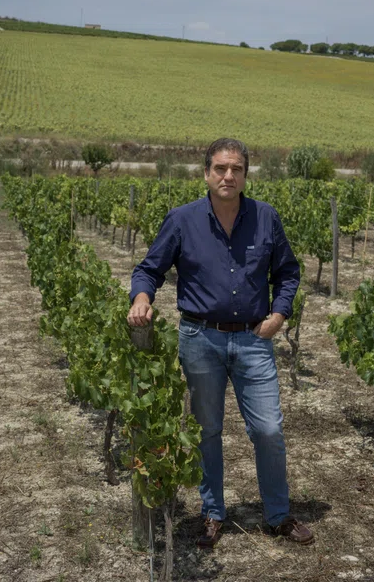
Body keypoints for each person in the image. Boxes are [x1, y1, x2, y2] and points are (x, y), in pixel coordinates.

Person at [127, 138, 314, 548]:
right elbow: (149, 269)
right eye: (220, 169)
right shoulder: (182, 220)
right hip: (199, 338)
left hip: (253, 339)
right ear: (206, 173)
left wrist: (279, 314)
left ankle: (278, 515)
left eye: (237, 169)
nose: (228, 176)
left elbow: (287, 272)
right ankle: (213, 512)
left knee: (268, 429)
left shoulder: (266, 218)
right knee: (207, 430)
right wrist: (141, 298)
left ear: (246, 174)